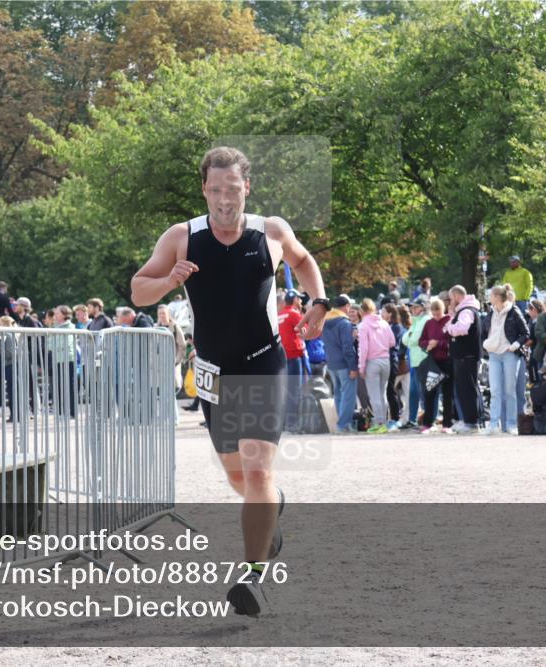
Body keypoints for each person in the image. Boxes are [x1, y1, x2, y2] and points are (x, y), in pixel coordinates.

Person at [129, 145, 327, 617]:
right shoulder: (182, 237)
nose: (224, 199)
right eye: (215, 190)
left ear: (246, 188)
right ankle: (271, 507)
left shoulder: (271, 231)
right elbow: (139, 289)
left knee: (257, 469)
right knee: (240, 477)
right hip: (214, 371)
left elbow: (303, 261)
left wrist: (319, 301)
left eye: (232, 189)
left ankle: (254, 576)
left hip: (263, 363)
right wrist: (168, 281)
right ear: (204, 190)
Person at [483, 284, 530, 435]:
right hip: (494, 355)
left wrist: (515, 345)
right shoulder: (491, 313)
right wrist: (485, 344)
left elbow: (525, 333)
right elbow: (484, 331)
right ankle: (493, 424)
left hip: (510, 354)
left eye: (491, 295)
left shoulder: (513, 311)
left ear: (497, 297)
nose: (489, 298)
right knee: (495, 391)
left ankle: (511, 424)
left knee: (510, 391)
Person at [444, 285, 483, 434]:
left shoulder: (466, 311)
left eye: (450, 298)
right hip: (463, 356)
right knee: (464, 388)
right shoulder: (462, 310)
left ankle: (471, 422)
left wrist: (450, 329)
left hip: (466, 356)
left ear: (456, 296)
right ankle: (469, 420)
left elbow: (462, 328)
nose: (449, 301)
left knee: (467, 389)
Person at [357, 298, 396, 434]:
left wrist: (361, 367)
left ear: (361, 311)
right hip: (385, 360)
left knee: (374, 395)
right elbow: (392, 342)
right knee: (382, 394)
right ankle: (383, 423)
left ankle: (379, 423)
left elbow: (363, 349)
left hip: (371, 362)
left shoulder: (363, 326)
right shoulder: (384, 323)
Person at [321, 295, 359, 433]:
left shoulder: (324, 322)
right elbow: (347, 348)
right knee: (348, 396)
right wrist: (353, 367)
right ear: (346, 306)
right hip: (344, 363)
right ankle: (343, 425)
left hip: (331, 363)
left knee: (338, 394)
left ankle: (342, 425)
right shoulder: (345, 323)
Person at [418, 297, 453, 434]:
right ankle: (428, 423)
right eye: (434, 314)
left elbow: (451, 342)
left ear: (443, 310)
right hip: (433, 362)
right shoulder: (429, 323)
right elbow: (421, 341)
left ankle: (447, 424)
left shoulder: (449, 320)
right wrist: (428, 344)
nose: (436, 317)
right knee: (429, 393)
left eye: (438, 313)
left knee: (447, 394)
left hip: (447, 361)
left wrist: (438, 343)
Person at [278, 290, 307, 432]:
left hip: (281, 358)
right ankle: (292, 423)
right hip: (293, 357)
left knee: (284, 392)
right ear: (295, 299)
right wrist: (302, 313)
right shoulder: (294, 314)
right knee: (294, 391)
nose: (301, 302)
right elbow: (307, 331)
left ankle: (283, 423)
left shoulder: (279, 314)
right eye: (299, 299)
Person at [401, 296, 430, 428]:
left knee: (424, 392)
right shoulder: (416, 321)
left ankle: (428, 420)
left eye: (416, 307)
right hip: (415, 361)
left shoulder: (425, 320)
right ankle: (412, 420)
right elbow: (405, 340)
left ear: (423, 308)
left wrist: (411, 338)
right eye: (412, 307)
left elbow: (413, 340)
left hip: (423, 360)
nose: (413, 309)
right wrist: (411, 338)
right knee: (413, 392)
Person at [382, 303, 405, 430]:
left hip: (392, 359)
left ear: (390, 313)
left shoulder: (396, 327)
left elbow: (392, 343)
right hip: (385, 359)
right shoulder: (388, 325)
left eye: (384, 311)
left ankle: (395, 418)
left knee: (391, 390)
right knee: (388, 390)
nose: (381, 314)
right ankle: (392, 416)